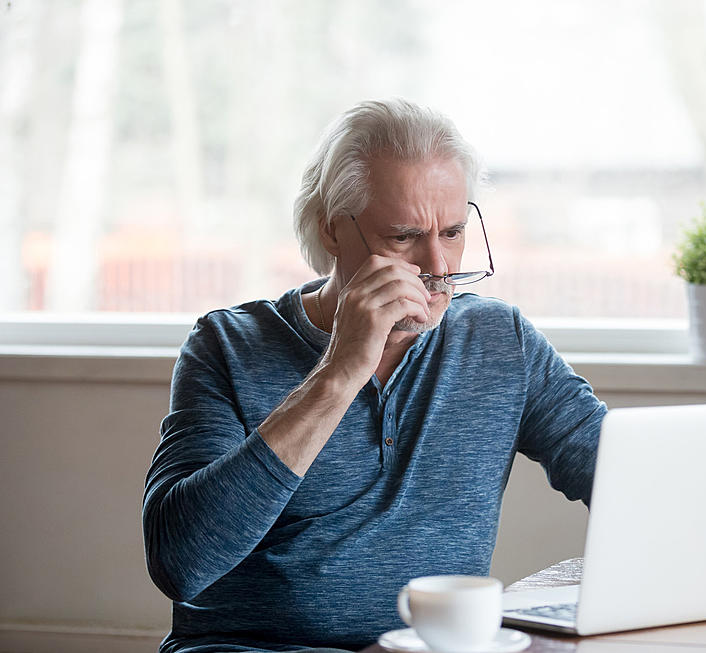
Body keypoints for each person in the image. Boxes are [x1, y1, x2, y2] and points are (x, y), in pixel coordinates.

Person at [142, 98, 607, 653]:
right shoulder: (226, 345)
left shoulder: (499, 341)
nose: (438, 267)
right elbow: (181, 563)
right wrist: (340, 371)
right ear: (332, 230)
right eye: (405, 236)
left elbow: (625, 479)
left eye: (454, 231)